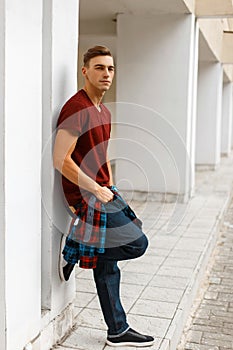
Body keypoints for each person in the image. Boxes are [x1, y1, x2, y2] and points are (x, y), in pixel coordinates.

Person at [53, 46, 154, 347]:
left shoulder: (103, 110)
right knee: (137, 243)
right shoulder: (76, 107)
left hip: (103, 191)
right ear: (84, 71)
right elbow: (60, 158)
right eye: (99, 68)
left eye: (110, 68)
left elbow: (102, 151)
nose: (106, 74)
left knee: (112, 257)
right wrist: (94, 189)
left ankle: (117, 330)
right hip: (85, 196)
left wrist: (108, 184)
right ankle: (76, 249)